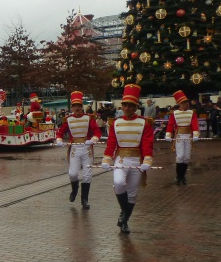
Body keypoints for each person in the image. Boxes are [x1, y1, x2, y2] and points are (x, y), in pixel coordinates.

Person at [101, 84, 154, 234]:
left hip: (137, 160)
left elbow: (147, 142)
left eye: (131, 106)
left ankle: (124, 221)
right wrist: (106, 159)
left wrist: (147, 160)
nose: (128, 108)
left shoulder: (145, 122)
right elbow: (111, 143)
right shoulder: (115, 123)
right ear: (122, 106)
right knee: (118, 183)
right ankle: (124, 213)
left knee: (132, 193)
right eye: (125, 105)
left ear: (136, 107)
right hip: (121, 160)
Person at [55, 91, 102, 210]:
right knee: (73, 173)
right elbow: (60, 132)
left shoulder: (89, 118)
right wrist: (59, 140)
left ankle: (84, 199)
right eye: (75, 106)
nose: (77, 108)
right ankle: (74, 189)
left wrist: (93, 139)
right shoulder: (68, 119)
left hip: (87, 149)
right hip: (75, 149)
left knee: (87, 175)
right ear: (72, 107)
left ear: (82, 107)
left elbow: (97, 131)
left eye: (79, 106)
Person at [165, 90, 199, 185]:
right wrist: (168, 134)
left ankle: (183, 176)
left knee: (187, 157)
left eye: (186, 102)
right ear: (179, 104)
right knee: (180, 156)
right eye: (183, 102)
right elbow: (171, 124)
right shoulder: (174, 113)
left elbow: (194, 124)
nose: (186, 104)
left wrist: (195, 134)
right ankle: (178, 176)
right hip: (179, 136)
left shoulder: (192, 113)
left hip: (188, 137)